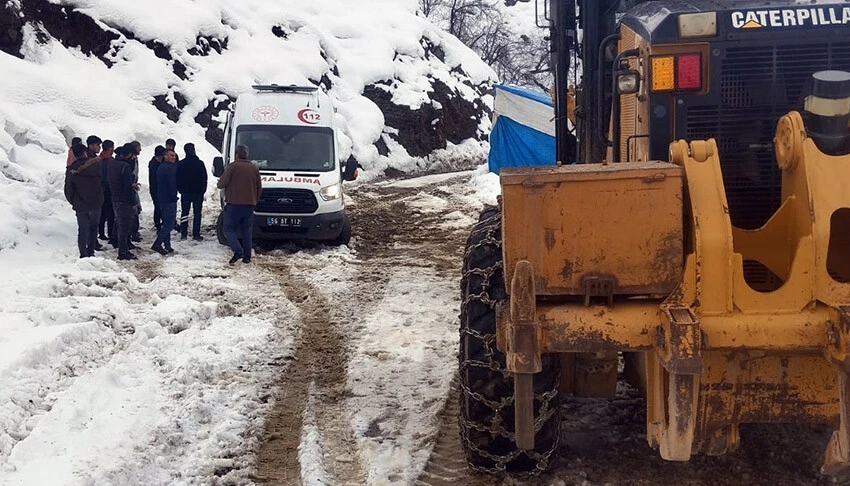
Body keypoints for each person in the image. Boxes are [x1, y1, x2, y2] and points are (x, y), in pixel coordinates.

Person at [217, 144, 261, 264]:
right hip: (249, 205)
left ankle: (237, 250)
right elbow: (259, 187)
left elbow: (221, 184)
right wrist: (254, 200)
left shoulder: (232, 167)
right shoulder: (254, 168)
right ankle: (247, 257)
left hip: (234, 204)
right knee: (247, 231)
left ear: (236, 155)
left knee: (228, 229)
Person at [65, 143, 104, 258]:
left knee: (82, 230)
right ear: (85, 153)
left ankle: (83, 254)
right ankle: (91, 251)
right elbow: (101, 183)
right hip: (96, 203)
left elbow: (68, 190)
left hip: (80, 204)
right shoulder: (96, 166)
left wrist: (74, 201)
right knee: (94, 228)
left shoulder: (71, 170)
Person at [106, 144, 138, 260]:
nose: (133, 158)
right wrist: (133, 202)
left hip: (114, 197)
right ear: (128, 154)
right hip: (124, 200)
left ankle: (117, 243)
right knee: (124, 227)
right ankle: (123, 252)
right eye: (133, 155)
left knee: (118, 222)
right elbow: (127, 188)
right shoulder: (125, 166)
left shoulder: (111, 163)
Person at [176, 143, 208, 241]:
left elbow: (177, 178)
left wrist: (180, 189)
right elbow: (204, 178)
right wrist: (203, 190)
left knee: (184, 213)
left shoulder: (181, 164)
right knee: (197, 213)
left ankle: (184, 233)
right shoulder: (200, 163)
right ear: (194, 150)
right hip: (198, 192)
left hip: (185, 192)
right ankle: (196, 234)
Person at [152, 148, 179, 255]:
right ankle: (157, 244)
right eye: (171, 155)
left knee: (166, 222)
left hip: (162, 198)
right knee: (169, 224)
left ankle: (167, 244)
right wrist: (173, 197)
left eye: (174, 155)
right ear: (165, 156)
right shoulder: (168, 168)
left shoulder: (162, 167)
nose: (173, 157)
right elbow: (171, 184)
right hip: (168, 199)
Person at [98, 140, 116, 243]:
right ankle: (110, 233)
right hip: (108, 189)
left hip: (100, 189)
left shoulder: (98, 160)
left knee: (102, 212)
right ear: (110, 149)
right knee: (110, 213)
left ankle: (101, 232)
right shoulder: (111, 162)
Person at [148, 146, 166, 232]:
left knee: (160, 207)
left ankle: (160, 223)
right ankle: (158, 225)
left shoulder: (156, 163)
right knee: (158, 207)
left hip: (159, 189)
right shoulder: (154, 165)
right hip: (156, 189)